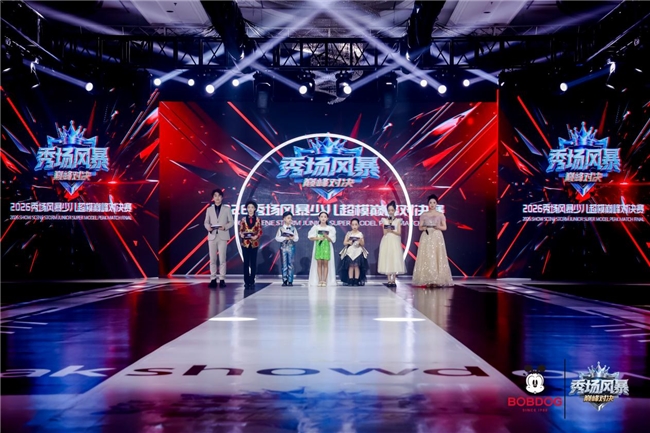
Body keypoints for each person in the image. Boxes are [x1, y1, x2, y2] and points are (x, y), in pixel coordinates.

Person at [412, 194, 453, 288]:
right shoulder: (424, 214)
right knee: (427, 256)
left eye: (434, 202)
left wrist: (438, 227)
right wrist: (424, 227)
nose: (432, 204)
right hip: (426, 236)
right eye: (430, 202)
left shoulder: (440, 215)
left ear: (436, 203)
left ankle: (437, 280)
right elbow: (420, 227)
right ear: (428, 204)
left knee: (436, 256)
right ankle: (428, 279)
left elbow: (445, 227)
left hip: (437, 236)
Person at [204, 188, 234, 288]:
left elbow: (231, 222)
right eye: (215, 196)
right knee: (212, 259)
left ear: (222, 197)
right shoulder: (209, 209)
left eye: (219, 196)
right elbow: (206, 222)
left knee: (222, 259)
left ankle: (222, 279)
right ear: (213, 198)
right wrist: (208, 228)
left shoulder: (227, 209)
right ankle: (213, 279)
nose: (217, 198)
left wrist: (224, 227)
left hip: (222, 235)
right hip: (212, 235)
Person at [377, 201, 406, 287]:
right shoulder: (384, 220)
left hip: (395, 241)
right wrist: (388, 229)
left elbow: (399, 233)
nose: (390, 212)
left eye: (392, 210)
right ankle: (389, 279)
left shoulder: (398, 221)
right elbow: (384, 233)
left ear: (395, 210)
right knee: (387, 258)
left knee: (395, 259)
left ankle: (394, 279)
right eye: (389, 210)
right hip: (386, 241)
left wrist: (392, 230)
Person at [307, 212, 337, 287]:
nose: (323, 218)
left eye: (325, 217)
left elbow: (332, 240)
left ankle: (325, 280)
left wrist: (326, 236)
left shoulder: (330, 228)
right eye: (322, 216)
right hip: (318, 247)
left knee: (326, 264)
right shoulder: (315, 228)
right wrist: (318, 238)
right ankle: (320, 280)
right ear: (319, 218)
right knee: (319, 264)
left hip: (327, 247)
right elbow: (310, 237)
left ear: (327, 218)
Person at [239, 200, 262, 289]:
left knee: (253, 263)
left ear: (255, 208)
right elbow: (241, 230)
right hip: (245, 243)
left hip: (254, 243)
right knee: (246, 263)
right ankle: (246, 281)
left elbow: (260, 231)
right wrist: (241, 234)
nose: (250, 209)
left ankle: (252, 280)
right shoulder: (243, 219)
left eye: (252, 207)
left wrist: (256, 236)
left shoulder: (258, 219)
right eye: (249, 207)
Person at [339, 218, 369, 286]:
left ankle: (356, 279)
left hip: (358, 251)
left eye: (356, 224)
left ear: (358, 225)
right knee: (351, 266)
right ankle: (350, 279)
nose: (354, 226)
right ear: (351, 225)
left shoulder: (360, 234)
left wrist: (360, 241)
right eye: (353, 225)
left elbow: (363, 244)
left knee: (356, 265)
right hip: (350, 251)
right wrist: (349, 242)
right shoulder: (349, 233)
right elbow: (344, 242)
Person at [275, 211, 299, 286]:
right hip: (283, 248)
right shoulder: (281, 228)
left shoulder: (293, 228)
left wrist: (293, 238)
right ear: (284, 219)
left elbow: (297, 238)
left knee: (290, 263)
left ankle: (290, 280)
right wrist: (285, 238)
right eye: (288, 218)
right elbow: (277, 238)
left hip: (291, 247)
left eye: (291, 218)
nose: (290, 220)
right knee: (284, 264)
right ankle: (284, 280)